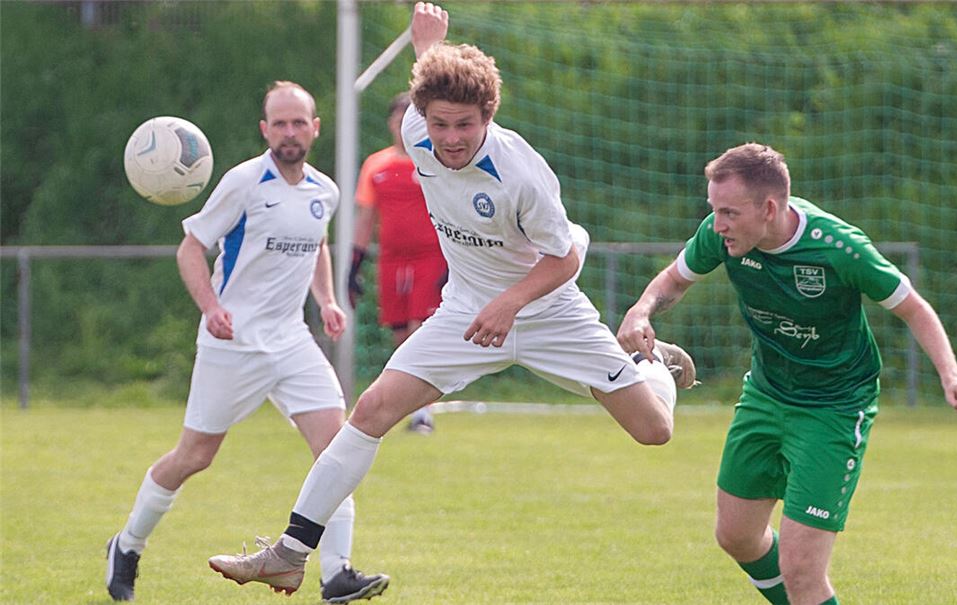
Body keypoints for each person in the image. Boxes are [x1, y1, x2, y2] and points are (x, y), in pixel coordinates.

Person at [207, 2, 696, 595]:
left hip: (549, 311)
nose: (451, 138)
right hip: (465, 312)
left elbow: (566, 257)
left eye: (465, 125)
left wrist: (511, 301)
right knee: (372, 410)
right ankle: (290, 552)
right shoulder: (418, 131)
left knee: (654, 431)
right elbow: (431, 88)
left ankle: (653, 364)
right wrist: (428, 46)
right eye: (440, 125)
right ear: (421, 119)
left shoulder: (522, 172)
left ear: (488, 116)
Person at [617, 142, 957, 605]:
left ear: (769, 208)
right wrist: (641, 311)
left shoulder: (840, 249)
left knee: (801, 569)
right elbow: (673, 278)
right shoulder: (720, 236)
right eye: (713, 209)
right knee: (736, 535)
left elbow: (914, 308)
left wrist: (950, 376)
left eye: (728, 211)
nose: (717, 223)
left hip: (833, 408)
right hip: (767, 395)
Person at [105, 81, 389, 604]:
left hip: (292, 342)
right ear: (265, 130)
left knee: (339, 449)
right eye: (278, 123)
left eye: (298, 122)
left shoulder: (323, 192)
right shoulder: (243, 182)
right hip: (232, 343)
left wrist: (325, 299)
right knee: (193, 457)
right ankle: (127, 544)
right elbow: (190, 249)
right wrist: (212, 309)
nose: (288, 132)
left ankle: (336, 575)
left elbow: (319, 247)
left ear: (314, 128)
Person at [348, 92, 448, 434]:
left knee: (421, 328)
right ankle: (409, 405)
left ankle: (424, 413)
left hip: (429, 257)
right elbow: (365, 217)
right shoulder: (376, 165)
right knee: (400, 333)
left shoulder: (433, 161)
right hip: (391, 260)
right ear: (392, 123)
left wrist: (453, 262)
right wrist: (354, 263)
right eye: (398, 117)